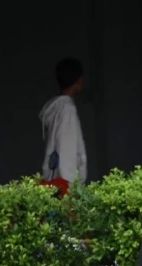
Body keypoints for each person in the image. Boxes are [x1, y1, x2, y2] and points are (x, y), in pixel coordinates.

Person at [40, 58, 88, 186]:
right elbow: (67, 154)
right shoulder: (67, 110)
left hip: (53, 179)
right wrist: (68, 190)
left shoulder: (56, 108)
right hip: (64, 188)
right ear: (79, 80)